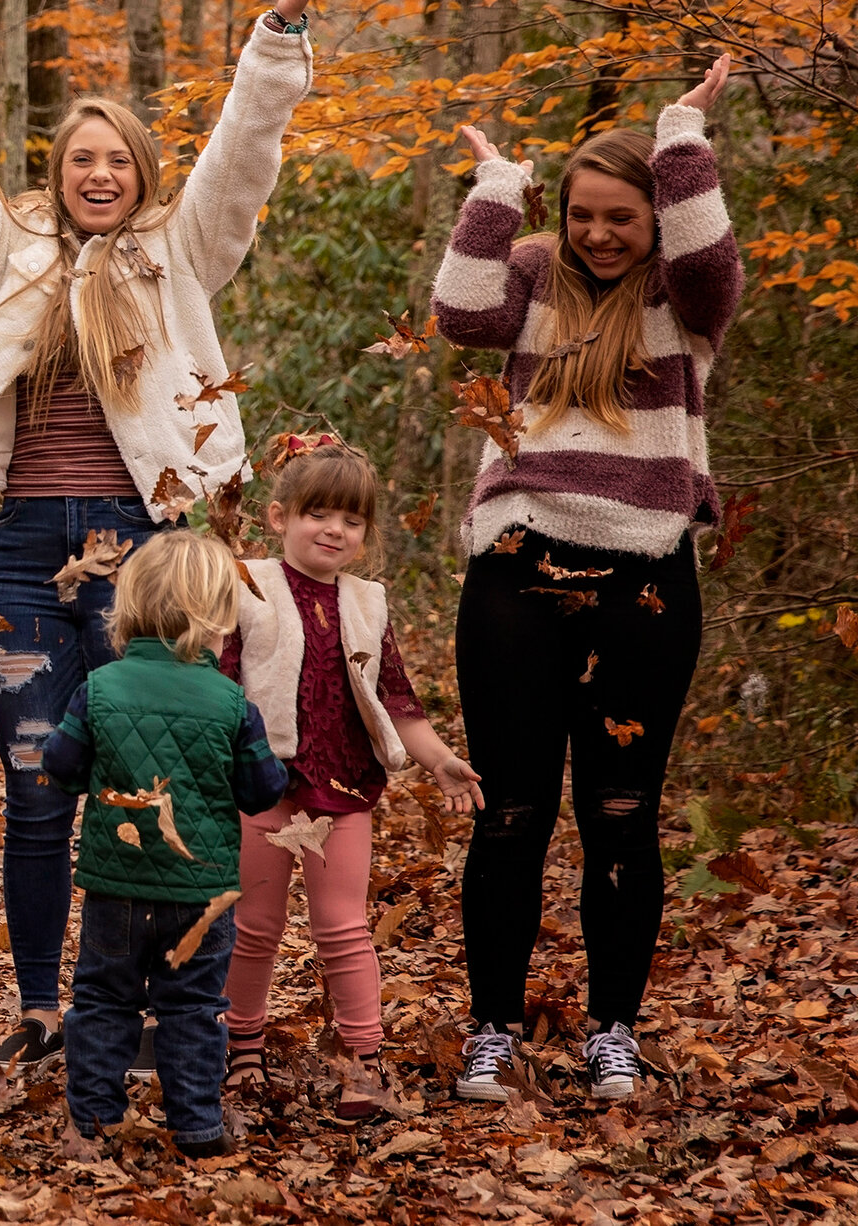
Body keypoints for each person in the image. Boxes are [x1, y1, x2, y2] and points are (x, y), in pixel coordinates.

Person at [0, 0, 339, 1069]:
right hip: (26, 552)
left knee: (148, 781)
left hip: (145, 557)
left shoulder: (182, 253)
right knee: (33, 789)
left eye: (118, 161)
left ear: (142, 175)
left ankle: (150, 1003)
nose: (100, 176)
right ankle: (39, 1006)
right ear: (57, 177)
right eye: (81, 163)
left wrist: (279, 30)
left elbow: (241, 157)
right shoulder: (10, 255)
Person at [433, 56, 743, 1102]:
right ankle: (492, 1027)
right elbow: (459, 315)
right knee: (511, 809)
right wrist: (492, 195)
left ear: (656, 217)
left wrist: (681, 137)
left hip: (644, 579)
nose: (600, 235)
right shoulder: (527, 276)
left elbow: (705, 252)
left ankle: (613, 1027)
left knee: (619, 807)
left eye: (621, 216)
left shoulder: (685, 298)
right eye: (582, 217)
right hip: (517, 574)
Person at [216, 435, 482, 1123]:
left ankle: (362, 1061)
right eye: (319, 513)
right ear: (279, 517)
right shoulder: (246, 586)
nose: (335, 529)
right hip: (262, 785)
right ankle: (239, 1046)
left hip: (344, 790)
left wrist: (440, 759)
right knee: (255, 926)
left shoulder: (368, 602)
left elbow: (396, 701)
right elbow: (216, 687)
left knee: (343, 926)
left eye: (352, 519)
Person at [42, 532, 288, 1157]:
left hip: (115, 885)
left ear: (128, 608)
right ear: (217, 618)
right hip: (199, 894)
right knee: (194, 1008)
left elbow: (62, 767)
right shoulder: (233, 704)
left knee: (102, 1001)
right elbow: (261, 793)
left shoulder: (99, 688)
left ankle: (94, 1123)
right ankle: (198, 1126)